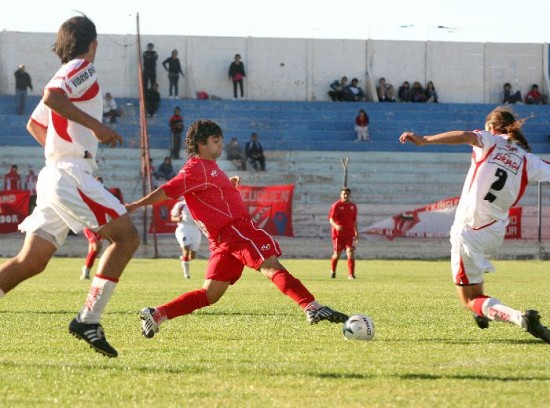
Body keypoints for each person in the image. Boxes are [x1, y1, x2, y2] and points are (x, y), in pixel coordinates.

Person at [125, 119, 349, 339]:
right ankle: (311, 307)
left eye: (220, 140)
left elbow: (207, 193)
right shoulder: (196, 168)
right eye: (215, 141)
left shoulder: (208, 168)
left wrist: (227, 186)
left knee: (210, 294)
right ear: (201, 144)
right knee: (271, 266)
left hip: (223, 240)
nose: (220, 145)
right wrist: (136, 205)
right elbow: (167, 190)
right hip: (236, 230)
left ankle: (157, 315)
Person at [0, 15, 140, 358]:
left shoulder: (68, 71)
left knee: (31, 261)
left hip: (55, 174)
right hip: (70, 172)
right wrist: (96, 128)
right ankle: (88, 319)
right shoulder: (83, 68)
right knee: (127, 237)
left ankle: (88, 319)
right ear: (93, 43)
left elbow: (35, 124)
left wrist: (61, 145)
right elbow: (50, 97)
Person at [398, 106, 550, 344]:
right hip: (495, 232)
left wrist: (424, 140)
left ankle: (520, 318)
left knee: (467, 298)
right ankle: (482, 311)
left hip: (468, 230)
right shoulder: (527, 159)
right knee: (475, 292)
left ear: (491, 127)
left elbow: (466, 136)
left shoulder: (488, 140)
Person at [328, 188, 358, 280]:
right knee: (337, 254)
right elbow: (331, 219)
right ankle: (333, 271)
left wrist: (356, 232)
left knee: (350, 252)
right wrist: (336, 226)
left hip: (350, 234)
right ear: (341, 195)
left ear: (350, 195)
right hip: (338, 235)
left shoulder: (353, 206)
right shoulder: (336, 205)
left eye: (347, 194)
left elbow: (354, 220)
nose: (346, 195)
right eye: (344, 194)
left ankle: (351, 275)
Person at [170, 198, 202, 279]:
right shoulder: (180, 205)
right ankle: (186, 274)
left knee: (192, 256)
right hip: (183, 228)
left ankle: (184, 260)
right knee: (186, 249)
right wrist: (178, 219)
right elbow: (173, 217)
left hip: (195, 229)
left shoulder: (199, 203)